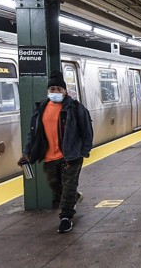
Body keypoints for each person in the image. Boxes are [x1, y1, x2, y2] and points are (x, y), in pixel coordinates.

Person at [19, 70, 93, 233]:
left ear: (65, 91)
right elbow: (33, 134)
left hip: (70, 156)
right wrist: (27, 152)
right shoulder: (41, 109)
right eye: (52, 89)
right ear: (48, 91)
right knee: (55, 186)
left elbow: (87, 130)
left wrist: (83, 151)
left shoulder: (75, 108)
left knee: (68, 187)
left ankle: (66, 217)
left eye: (59, 89)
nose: (55, 92)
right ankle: (73, 197)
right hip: (49, 156)